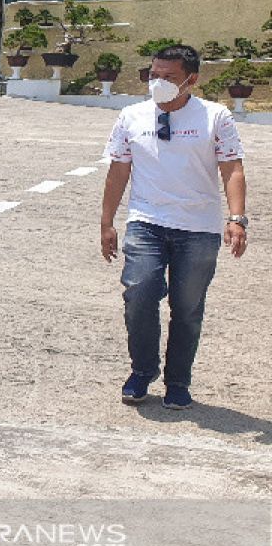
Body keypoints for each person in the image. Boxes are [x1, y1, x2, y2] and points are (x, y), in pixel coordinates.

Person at [100, 44, 247, 410]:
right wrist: (107, 222)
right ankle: (142, 370)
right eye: (154, 75)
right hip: (147, 221)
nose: (159, 83)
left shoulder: (216, 117)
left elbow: (232, 169)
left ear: (191, 80)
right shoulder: (131, 116)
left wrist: (236, 218)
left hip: (199, 228)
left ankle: (178, 381)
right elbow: (118, 170)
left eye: (169, 77)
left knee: (188, 307)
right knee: (139, 294)